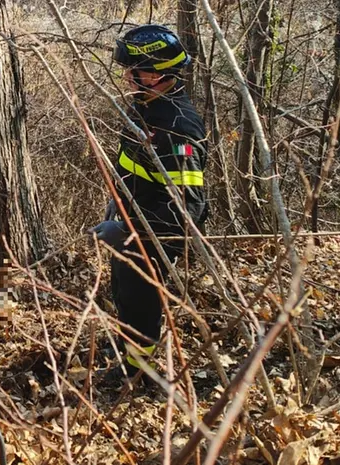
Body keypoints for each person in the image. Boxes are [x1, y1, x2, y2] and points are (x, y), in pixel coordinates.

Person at [90, 24, 209, 387]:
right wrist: (117, 201)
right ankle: (132, 359)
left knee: (141, 306)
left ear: (158, 73)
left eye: (134, 70)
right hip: (129, 225)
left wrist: (127, 231)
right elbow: (133, 168)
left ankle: (143, 377)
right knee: (125, 298)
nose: (127, 77)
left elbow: (186, 211)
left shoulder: (178, 128)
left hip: (152, 238)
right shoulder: (145, 107)